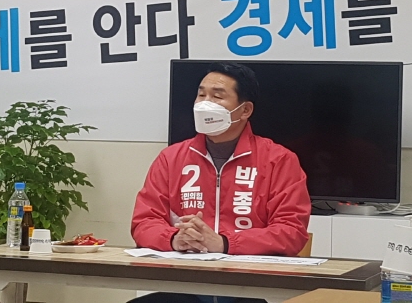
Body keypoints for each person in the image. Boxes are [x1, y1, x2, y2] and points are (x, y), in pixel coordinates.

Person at [128, 62, 311, 303]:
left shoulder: (279, 160)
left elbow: (291, 231)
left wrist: (224, 243)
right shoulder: (171, 158)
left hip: (252, 291)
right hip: (185, 286)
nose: (205, 103)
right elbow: (144, 222)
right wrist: (175, 239)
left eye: (217, 96)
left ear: (245, 110)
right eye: (201, 95)